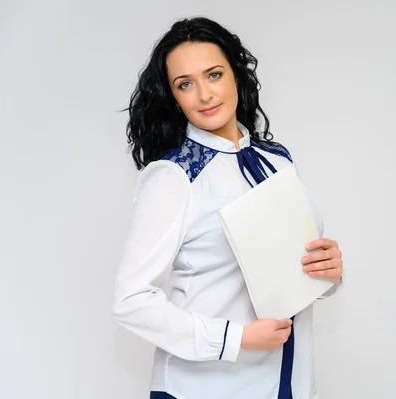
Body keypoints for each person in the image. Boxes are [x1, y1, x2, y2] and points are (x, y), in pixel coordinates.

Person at [112, 16, 344, 399]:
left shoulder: (277, 161)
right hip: (205, 388)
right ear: (174, 97)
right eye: (185, 84)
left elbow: (294, 269)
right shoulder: (173, 177)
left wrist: (329, 274)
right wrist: (233, 339)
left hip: (290, 383)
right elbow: (130, 300)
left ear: (235, 75)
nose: (204, 95)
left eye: (214, 75)